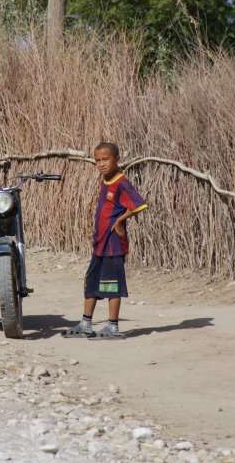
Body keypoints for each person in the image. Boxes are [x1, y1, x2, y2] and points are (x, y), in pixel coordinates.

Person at [63, 142, 148, 340]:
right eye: (98, 161)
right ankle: (86, 323)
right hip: (100, 243)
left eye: (106, 159)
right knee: (91, 281)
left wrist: (119, 220)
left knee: (112, 285)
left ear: (117, 159)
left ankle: (112, 327)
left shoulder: (121, 182)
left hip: (113, 244)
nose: (101, 164)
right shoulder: (105, 181)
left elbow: (139, 204)